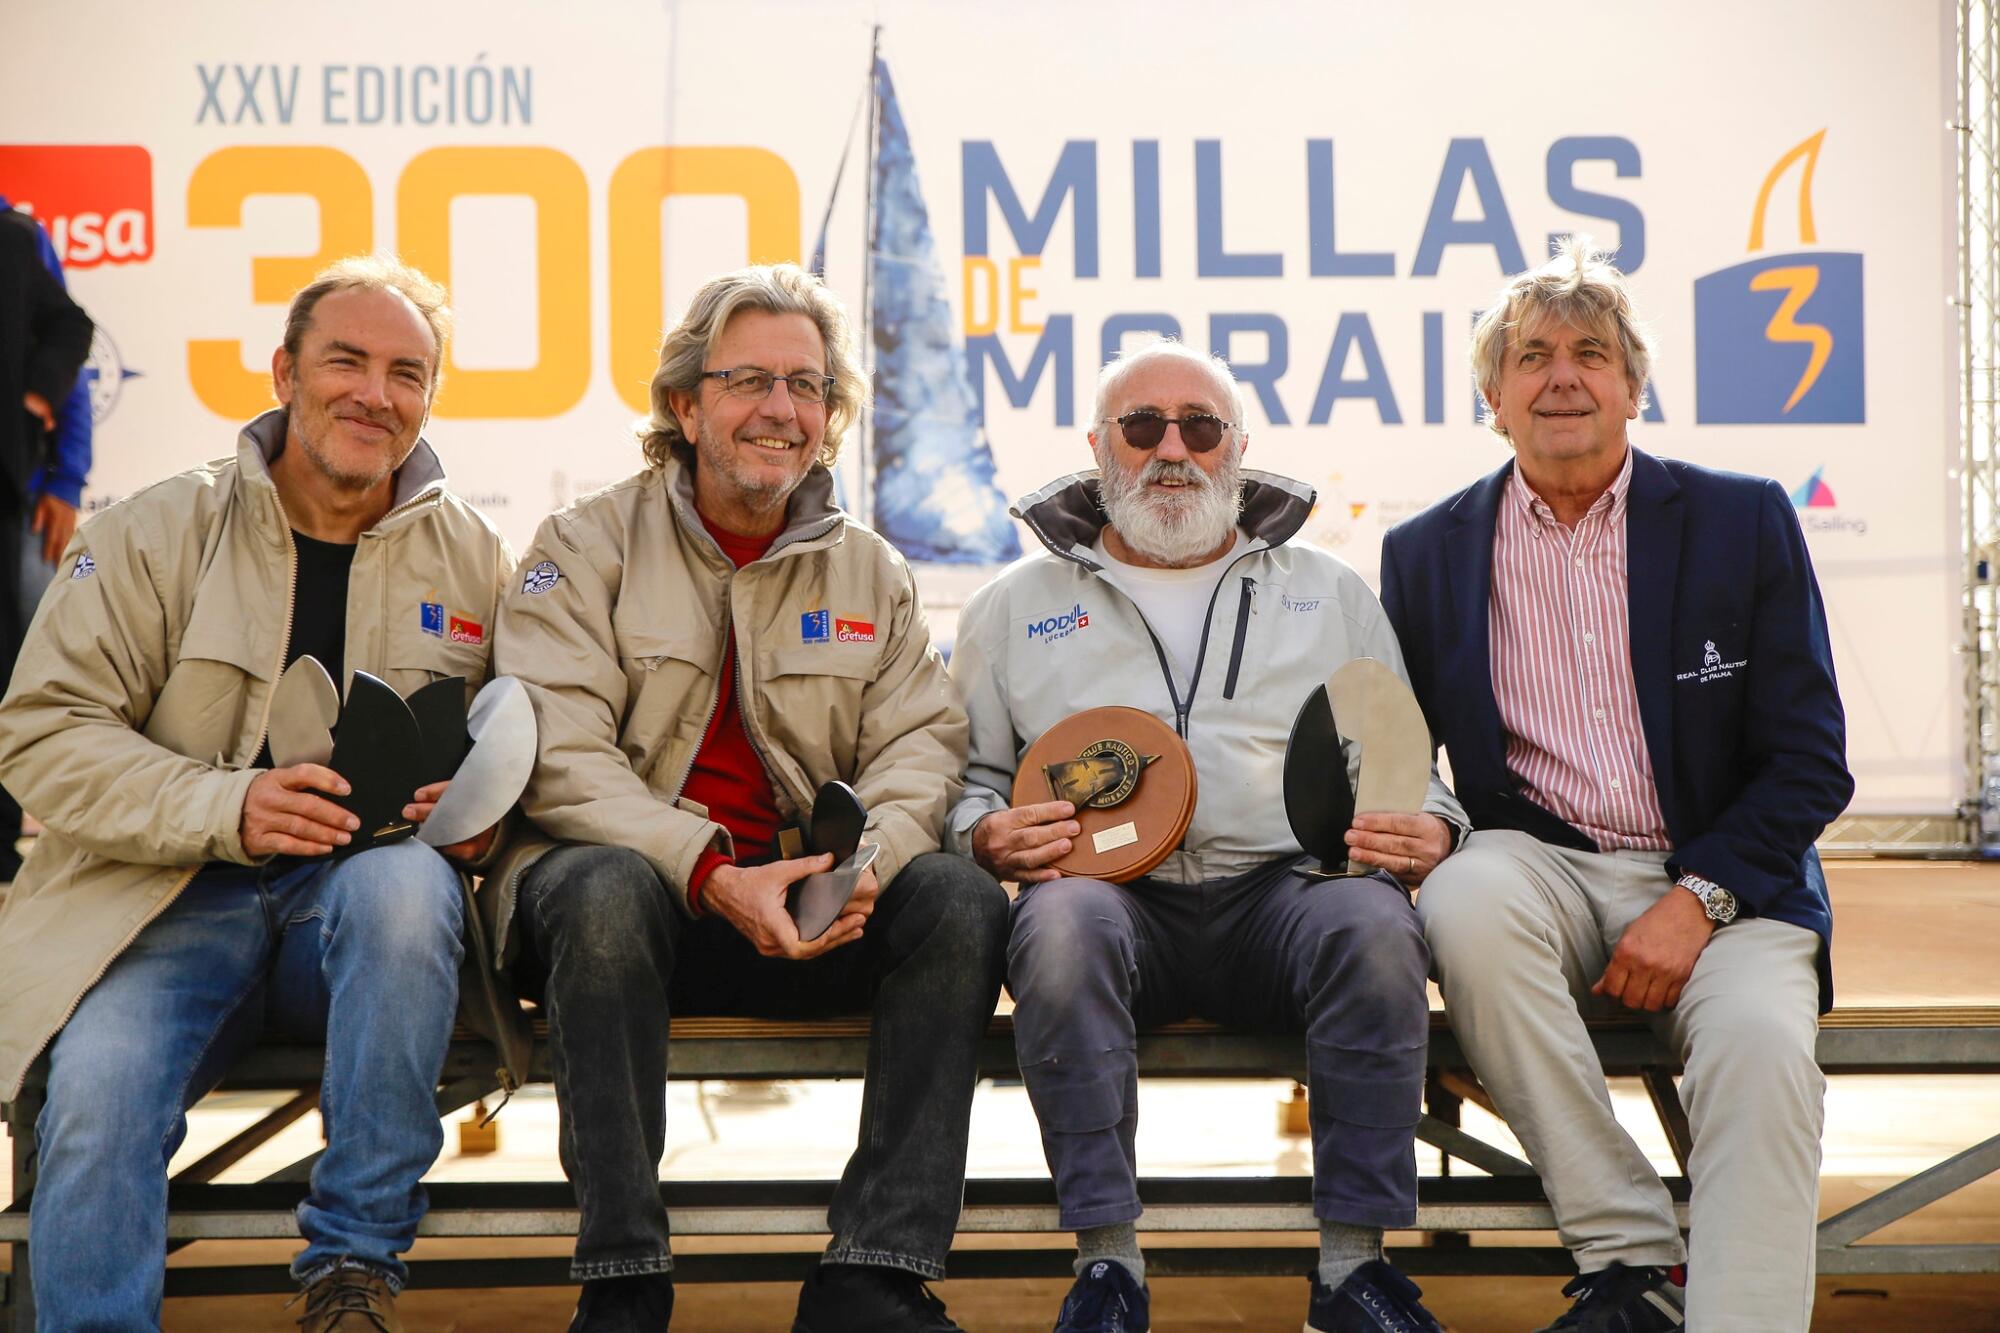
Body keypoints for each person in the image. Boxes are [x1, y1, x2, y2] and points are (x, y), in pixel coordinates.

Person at [488, 262, 1008, 1333]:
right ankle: (624, 1281)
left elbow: (922, 745)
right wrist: (712, 871)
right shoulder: (581, 547)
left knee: (958, 899)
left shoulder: (871, 571)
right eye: (749, 381)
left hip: (814, 907)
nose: (782, 408)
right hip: (641, 911)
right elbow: (560, 755)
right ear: (684, 406)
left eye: (806, 386)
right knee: (596, 888)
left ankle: (874, 1275)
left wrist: (861, 869)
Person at [0, 255, 513, 1332]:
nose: (375, 394)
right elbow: (42, 734)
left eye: (407, 373)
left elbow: (521, 751)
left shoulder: (474, 557)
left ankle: (352, 1269)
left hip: (357, 925)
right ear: (284, 372)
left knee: (406, 887)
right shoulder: (153, 531)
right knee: (98, 1092)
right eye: (345, 361)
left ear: (430, 397)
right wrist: (225, 807)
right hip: (161, 902)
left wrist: (483, 820)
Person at [947, 337, 1467, 1333]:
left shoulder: (1329, 590)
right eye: (1142, 426)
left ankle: (1352, 1272)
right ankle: (1107, 1269)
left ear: (1239, 447)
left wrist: (1432, 830)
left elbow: (1406, 770)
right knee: (1057, 927)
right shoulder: (1011, 605)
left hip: (1286, 893)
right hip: (1109, 899)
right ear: (1098, 447)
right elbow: (966, 781)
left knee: (1373, 924)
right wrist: (984, 835)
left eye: (1200, 427)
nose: (1171, 450)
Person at [1380, 239, 1853, 1332]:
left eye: (1590, 353)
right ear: (1493, 397)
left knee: (1762, 1053)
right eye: (1531, 356)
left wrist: (1699, 899)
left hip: (1730, 886)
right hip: (1540, 869)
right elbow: (1404, 761)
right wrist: (1429, 827)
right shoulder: (1425, 552)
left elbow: (1808, 758)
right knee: (1463, 895)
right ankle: (1630, 1256)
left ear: (1632, 386)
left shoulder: (1741, 519)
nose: (1562, 377)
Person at [0, 199, 92, 880]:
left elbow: (69, 336)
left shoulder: (14, 234)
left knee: (19, 660)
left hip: (15, 493)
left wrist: (62, 476)